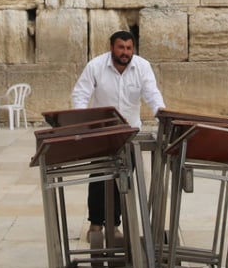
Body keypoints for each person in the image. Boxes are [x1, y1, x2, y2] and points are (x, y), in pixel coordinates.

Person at [70, 30, 165, 252]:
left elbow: (152, 94)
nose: (125, 52)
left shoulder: (142, 67)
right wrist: (80, 123)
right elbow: (80, 94)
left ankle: (114, 226)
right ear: (112, 47)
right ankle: (95, 225)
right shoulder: (96, 66)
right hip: (102, 133)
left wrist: (162, 114)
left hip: (129, 133)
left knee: (122, 180)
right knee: (98, 177)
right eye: (121, 48)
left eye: (129, 48)